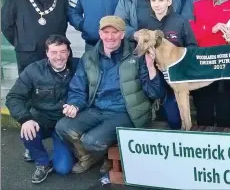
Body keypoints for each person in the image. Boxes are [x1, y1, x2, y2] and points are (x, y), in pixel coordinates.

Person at [55, 16, 165, 174]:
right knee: (63, 126)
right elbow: (78, 89)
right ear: (100, 33)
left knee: (92, 140)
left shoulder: (137, 55)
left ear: (122, 34)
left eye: (115, 32)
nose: (110, 36)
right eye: (106, 32)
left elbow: (155, 93)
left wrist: (150, 66)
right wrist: (74, 105)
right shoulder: (89, 57)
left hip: (126, 112)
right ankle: (89, 157)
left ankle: (105, 154)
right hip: (97, 109)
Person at [6, 35, 78, 183]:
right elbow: (13, 97)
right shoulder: (33, 70)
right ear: (46, 53)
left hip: (64, 124)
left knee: (63, 169)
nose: (59, 57)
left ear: (69, 52)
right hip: (41, 119)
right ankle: (42, 162)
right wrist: (25, 119)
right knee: (27, 133)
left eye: (63, 51)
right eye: (54, 52)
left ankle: (59, 153)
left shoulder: (78, 67)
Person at [181, 0, 230, 128]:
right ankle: (204, 139)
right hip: (202, 58)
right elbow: (187, 28)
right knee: (204, 103)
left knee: (226, 103)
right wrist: (210, 29)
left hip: (225, 59)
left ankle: (227, 138)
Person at [140, 0, 198, 129]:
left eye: (161, 0)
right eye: (153, 0)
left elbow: (192, 48)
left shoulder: (180, 21)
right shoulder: (145, 23)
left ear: (169, 2)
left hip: (177, 76)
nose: (157, 5)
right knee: (163, 118)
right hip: (156, 76)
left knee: (175, 118)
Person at [1, 0, 69, 75]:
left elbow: (64, 21)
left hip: (56, 54)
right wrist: (22, 43)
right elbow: (6, 25)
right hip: (27, 56)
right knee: (29, 91)